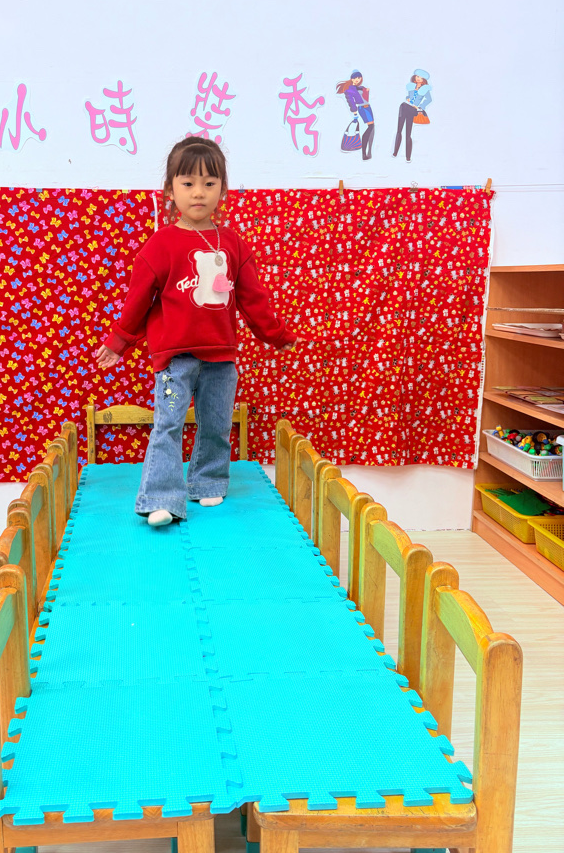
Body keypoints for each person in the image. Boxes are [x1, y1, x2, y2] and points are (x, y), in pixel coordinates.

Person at [94, 137, 296, 527]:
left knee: (216, 423)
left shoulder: (233, 244)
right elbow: (138, 299)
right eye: (188, 183)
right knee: (167, 425)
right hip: (175, 357)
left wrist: (275, 334)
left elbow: (253, 298)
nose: (199, 192)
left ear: (223, 188)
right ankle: (160, 497)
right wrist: (119, 341)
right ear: (170, 189)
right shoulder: (160, 244)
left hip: (221, 355)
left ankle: (208, 481)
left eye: (209, 183)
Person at [393, 69, 432, 162]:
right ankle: (395, 152)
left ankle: (408, 156)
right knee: (399, 130)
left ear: (424, 80)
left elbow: (429, 99)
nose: (418, 79)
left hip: (412, 110)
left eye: (421, 78)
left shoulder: (425, 89)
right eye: (417, 76)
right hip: (404, 106)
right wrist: (407, 98)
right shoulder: (411, 86)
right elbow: (409, 96)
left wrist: (420, 106)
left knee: (408, 133)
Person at [336, 71, 374, 159]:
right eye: (355, 78)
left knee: (372, 129)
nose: (357, 80)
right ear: (351, 79)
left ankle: (369, 152)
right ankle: (364, 153)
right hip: (363, 108)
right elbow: (351, 101)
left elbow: (363, 95)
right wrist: (354, 112)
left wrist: (365, 90)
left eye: (359, 78)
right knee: (370, 128)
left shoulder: (359, 87)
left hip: (368, 107)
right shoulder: (349, 89)